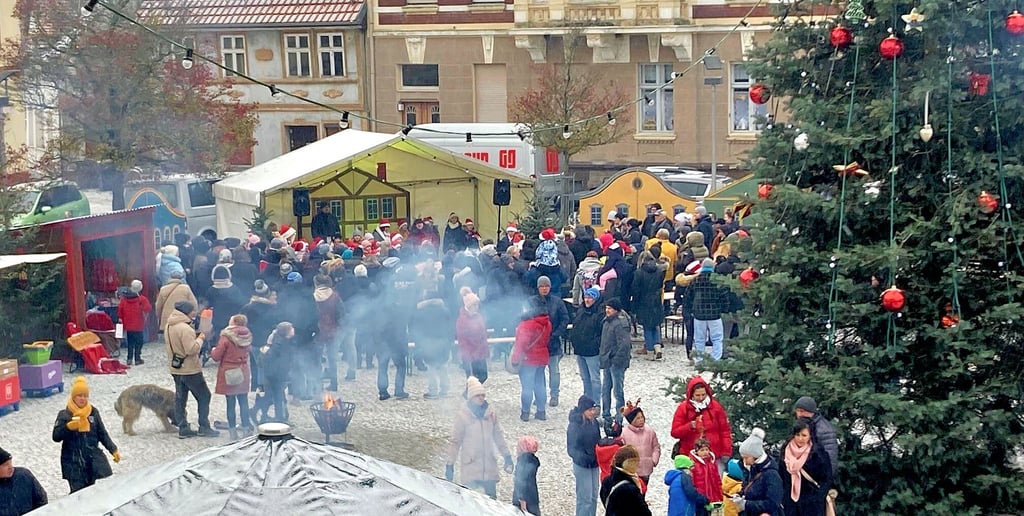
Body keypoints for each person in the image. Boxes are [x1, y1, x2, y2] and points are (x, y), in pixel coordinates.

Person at [445, 377, 514, 499]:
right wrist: (450, 464)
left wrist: (507, 456)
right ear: (471, 397)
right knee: (471, 502)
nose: (482, 398)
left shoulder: (491, 413)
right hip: (471, 465)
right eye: (478, 395)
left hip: (489, 465)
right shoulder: (462, 416)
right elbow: (455, 442)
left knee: (492, 502)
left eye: (483, 395)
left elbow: (498, 435)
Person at [51, 376, 120, 493]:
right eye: (79, 395)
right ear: (73, 397)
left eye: (85, 396)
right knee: (78, 494)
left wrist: (113, 449)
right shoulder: (64, 414)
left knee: (94, 491)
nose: (82, 399)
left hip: (91, 460)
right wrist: (68, 427)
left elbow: (102, 433)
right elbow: (56, 436)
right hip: (73, 461)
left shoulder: (93, 412)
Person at [165, 300, 219, 438]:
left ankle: (182, 426)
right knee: (204, 396)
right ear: (186, 312)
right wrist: (201, 338)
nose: (195, 313)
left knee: (180, 398)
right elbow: (191, 349)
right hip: (190, 369)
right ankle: (204, 426)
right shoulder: (184, 328)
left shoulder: (169, 325)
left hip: (176, 367)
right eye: (192, 311)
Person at [671, 375, 733, 474]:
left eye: (703, 395)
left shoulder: (716, 407)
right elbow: (675, 432)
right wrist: (689, 426)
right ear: (691, 394)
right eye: (697, 395)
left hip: (713, 455)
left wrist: (726, 452)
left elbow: (724, 430)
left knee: (715, 485)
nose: (701, 398)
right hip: (691, 457)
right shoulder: (683, 409)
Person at [211, 314, 253, 440]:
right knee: (243, 401)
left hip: (229, 371)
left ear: (234, 322)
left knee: (230, 402)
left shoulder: (226, 337)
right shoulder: (248, 335)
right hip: (243, 369)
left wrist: (213, 350)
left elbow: (216, 356)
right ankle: (246, 429)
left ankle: (233, 432)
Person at [780, 420, 833, 516]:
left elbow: (827, 478)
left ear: (810, 436)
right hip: (790, 503)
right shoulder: (785, 452)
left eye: (804, 435)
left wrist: (818, 497)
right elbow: (781, 477)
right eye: (797, 435)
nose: (800, 438)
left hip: (812, 504)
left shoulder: (819, 454)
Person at [512, 296, 552, 421]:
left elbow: (520, 345)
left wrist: (515, 359)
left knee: (527, 387)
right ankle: (541, 411)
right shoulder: (547, 323)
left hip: (528, 359)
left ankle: (525, 412)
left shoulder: (526, 324)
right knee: (540, 385)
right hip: (542, 357)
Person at [533, 275, 569, 408]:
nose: (544, 289)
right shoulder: (532, 302)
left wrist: (556, 333)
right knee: (538, 371)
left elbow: (565, 319)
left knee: (554, 371)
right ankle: (540, 395)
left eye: (546, 286)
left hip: (553, 342)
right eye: (541, 286)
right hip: (538, 343)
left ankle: (554, 395)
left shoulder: (557, 302)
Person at [732, 429, 783, 516]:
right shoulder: (751, 468)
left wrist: (746, 504)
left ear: (755, 455)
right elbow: (749, 488)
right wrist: (740, 495)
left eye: (746, 458)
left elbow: (773, 503)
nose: (744, 461)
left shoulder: (772, 474)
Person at [567, 395, 603, 516]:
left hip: (594, 463)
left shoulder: (594, 423)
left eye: (593, 410)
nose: (593, 412)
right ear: (583, 410)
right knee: (584, 498)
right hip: (582, 465)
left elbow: (598, 440)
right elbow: (571, 449)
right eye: (590, 410)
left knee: (593, 496)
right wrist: (584, 458)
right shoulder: (574, 425)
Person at [599, 297, 631, 426]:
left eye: (610, 308)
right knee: (606, 388)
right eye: (606, 308)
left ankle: (619, 417)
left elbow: (624, 345)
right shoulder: (607, 321)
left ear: (616, 310)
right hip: (607, 360)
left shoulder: (620, 324)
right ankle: (606, 415)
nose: (607, 310)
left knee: (618, 391)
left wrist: (616, 360)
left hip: (616, 362)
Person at [630, 251, 667, 359]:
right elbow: (660, 285)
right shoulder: (659, 271)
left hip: (644, 301)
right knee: (655, 325)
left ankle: (650, 349)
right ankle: (657, 346)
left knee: (647, 326)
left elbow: (635, 290)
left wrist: (634, 305)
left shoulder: (639, 272)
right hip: (656, 300)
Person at [571, 287, 604, 402]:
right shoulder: (581, 310)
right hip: (580, 350)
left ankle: (596, 402)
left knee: (594, 379)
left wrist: (594, 344)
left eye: (590, 297)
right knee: (585, 378)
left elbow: (602, 333)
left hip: (592, 352)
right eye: (586, 297)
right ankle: (587, 401)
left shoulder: (600, 313)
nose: (587, 300)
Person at [690, 258, 727, 361]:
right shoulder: (717, 280)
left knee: (699, 339)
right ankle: (715, 359)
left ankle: (699, 360)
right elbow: (724, 297)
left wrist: (691, 309)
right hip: (714, 314)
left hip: (699, 314)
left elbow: (689, 296)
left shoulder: (695, 280)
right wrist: (723, 309)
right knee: (717, 338)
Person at [599, 445, 652, 516]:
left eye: (636, 461)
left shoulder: (606, 481)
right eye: (631, 462)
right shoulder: (630, 489)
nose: (635, 465)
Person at [258, 322, 295, 423]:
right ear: (286, 331)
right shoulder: (280, 344)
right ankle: (275, 417)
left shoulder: (282, 341)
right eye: (291, 328)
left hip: (275, 374)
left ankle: (272, 417)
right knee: (276, 397)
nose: (293, 330)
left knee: (275, 396)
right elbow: (278, 360)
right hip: (276, 375)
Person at [794, 396, 840, 476]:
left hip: (817, 477)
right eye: (798, 411)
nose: (800, 414)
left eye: (803, 411)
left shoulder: (825, 430)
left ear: (811, 412)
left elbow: (830, 458)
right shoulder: (798, 426)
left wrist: (825, 480)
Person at [619, 400, 660, 487]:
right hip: (632, 471)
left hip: (646, 469)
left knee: (643, 490)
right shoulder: (625, 433)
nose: (641, 420)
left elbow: (656, 447)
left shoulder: (649, 431)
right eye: (638, 418)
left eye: (642, 417)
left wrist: (653, 460)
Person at [455, 289, 489, 384]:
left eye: (477, 305)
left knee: (483, 376)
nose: (477, 307)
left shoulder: (478, 316)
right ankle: (473, 396)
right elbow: (462, 340)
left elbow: (483, 333)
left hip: (480, 352)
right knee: (472, 378)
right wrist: (467, 355)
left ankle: (470, 394)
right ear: (469, 306)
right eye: (474, 305)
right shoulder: (462, 320)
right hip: (470, 354)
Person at [0, 446, 47, 514]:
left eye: (10, 462)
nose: (10, 467)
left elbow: (41, 500)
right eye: (5, 465)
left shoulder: (24, 475)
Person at [117, 279, 152, 365]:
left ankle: (129, 358)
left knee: (130, 342)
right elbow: (148, 308)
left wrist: (121, 318)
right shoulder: (142, 299)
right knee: (139, 342)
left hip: (128, 324)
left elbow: (120, 310)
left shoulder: (124, 299)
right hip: (138, 324)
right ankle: (137, 358)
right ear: (140, 288)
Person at [689, 437, 723, 506]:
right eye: (702, 450)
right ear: (696, 452)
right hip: (701, 495)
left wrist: (720, 494)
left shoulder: (712, 463)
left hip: (713, 495)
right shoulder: (693, 464)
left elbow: (717, 479)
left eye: (706, 449)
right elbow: (692, 481)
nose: (705, 452)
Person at [512, 436, 541, 516]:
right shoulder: (533, 460)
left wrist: (522, 500)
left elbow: (522, 481)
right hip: (533, 497)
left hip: (523, 499)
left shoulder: (523, 462)